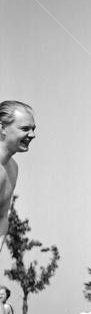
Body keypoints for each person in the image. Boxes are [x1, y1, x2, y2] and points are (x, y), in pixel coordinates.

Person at [0, 101, 36, 252]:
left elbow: (2, 215)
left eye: (33, 129)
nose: (32, 135)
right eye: (25, 129)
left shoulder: (13, 168)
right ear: (2, 128)